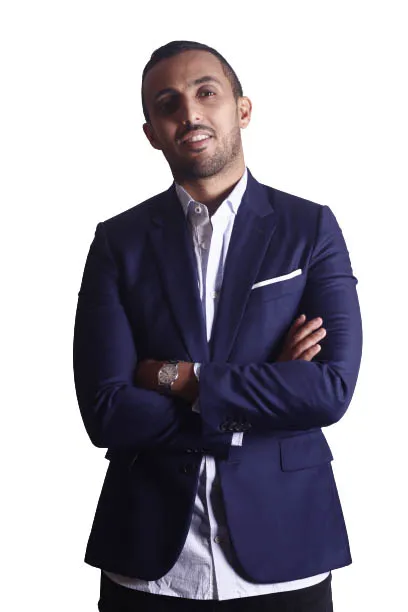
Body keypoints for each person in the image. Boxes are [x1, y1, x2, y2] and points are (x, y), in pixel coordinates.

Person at [73, 40, 362, 612]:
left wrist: (179, 378)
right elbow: (105, 410)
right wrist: (264, 392)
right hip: (149, 564)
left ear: (242, 109)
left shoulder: (310, 228)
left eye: (206, 92)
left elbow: (329, 390)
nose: (190, 113)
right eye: (168, 104)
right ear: (152, 133)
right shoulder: (118, 242)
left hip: (286, 553)